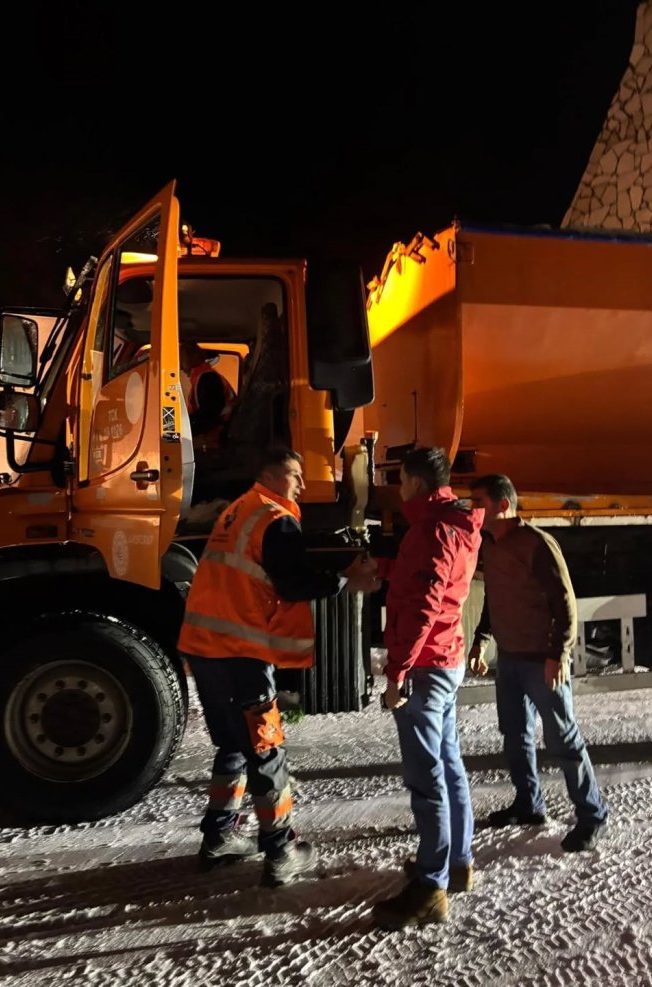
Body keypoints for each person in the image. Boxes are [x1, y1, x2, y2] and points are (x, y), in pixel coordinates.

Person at [177, 445, 379, 887]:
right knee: (265, 748)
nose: (303, 485)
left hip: (206, 646)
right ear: (269, 475)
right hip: (242, 651)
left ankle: (219, 836)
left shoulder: (238, 511)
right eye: (295, 475)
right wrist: (349, 580)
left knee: (232, 743)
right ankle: (281, 849)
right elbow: (292, 582)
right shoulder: (274, 517)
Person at [371, 446, 484, 931]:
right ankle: (457, 863)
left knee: (426, 779)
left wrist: (397, 671)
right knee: (449, 765)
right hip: (447, 658)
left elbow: (424, 605)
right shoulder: (455, 524)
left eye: (401, 482)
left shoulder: (430, 529)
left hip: (425, 665)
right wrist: (382, 570)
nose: (398, 491)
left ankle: (430, 887)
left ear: (415, 482)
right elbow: (429, 581)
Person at [467, 473, 609, 852]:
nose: (472, 509)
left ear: (502, 504)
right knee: (515, 735)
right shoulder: (492, 546)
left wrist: (557, 655)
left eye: (477, 501)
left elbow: (565, 604)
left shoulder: (536, 544)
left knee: (563, 738)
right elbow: (493, 600)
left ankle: (593, 815)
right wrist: (482, 641)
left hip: (541, 662)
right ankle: (529, 805)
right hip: (511, 660)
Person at [179, 341, 236, 449]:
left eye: (182, 359)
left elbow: (209, 416)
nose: (181, 366)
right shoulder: (203, 378)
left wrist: (182, 429)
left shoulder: (208, 379)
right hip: (213, 438)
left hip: (216, 441)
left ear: (195, 357)